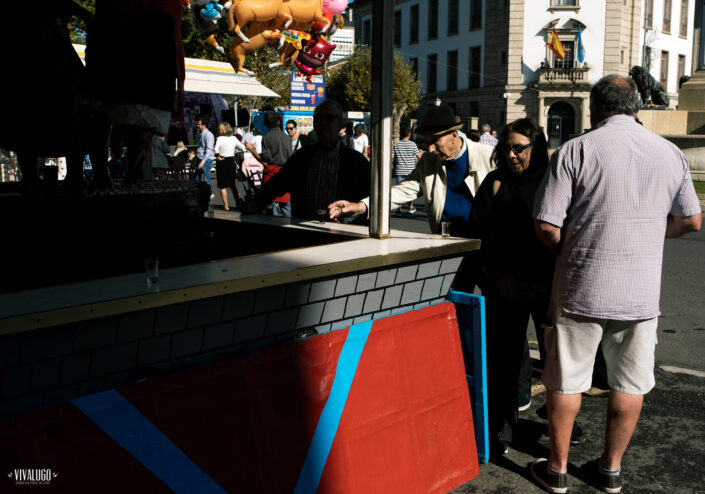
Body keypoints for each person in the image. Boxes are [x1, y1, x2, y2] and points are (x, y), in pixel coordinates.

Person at [530, 74, 701, 494]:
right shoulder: (668, 152)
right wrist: (646, 234)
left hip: (580, 288)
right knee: (629, 382)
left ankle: (557, 470)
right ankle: (610, 470)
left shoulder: (577, 149)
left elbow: (547, 224)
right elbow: (692, 220)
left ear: (594, 108)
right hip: (639, 292)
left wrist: (573, 254)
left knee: (566, 380)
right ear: (637, 107)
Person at [469, 118, 555, 456]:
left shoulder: (553, 182)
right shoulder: (494, 182)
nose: (511, 154)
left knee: (555, 358)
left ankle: (558, 420)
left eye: (518, 147)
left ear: (536, 147)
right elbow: (479, 235)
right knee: (504, 358)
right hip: (505, 287)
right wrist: (498, 274)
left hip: (546, 285)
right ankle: (504, 426)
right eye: (506, 147)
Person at [330, 104, 494, 239]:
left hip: (483, 243)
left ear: (454, 135)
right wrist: (362, 205)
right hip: (445, 241)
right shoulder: (428, 161)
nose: (430, 149)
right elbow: (403, 190)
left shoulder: (488, 157)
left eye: (435, 141)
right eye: (427, 142)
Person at [248, 100, 370, 221]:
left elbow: (379, 198)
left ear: (340, 125)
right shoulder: (301, 157)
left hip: (345, 235)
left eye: (329, 119)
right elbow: (276, 185)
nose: (323, 123)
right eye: (318, 119)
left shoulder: (356, 162)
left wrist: (361, 206)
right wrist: (254, 204)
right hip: (305, 232)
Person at [246, 113, 293, 217]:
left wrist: (252, 150)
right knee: (285, 206)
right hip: (285, 174)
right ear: (278, 122)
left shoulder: (267, 137)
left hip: (271, 175)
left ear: (266, 124)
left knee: (270, 207)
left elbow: (265, 159)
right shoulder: (287, 138)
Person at [215, 121, 247, 211]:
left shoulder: (220, 138)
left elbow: (216, 149)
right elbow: (243, 147)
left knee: (223, 185)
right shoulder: (233, 138)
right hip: (230, 162)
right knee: (232, 184)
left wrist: (217, 156)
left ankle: (226, 205)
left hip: (222, 161)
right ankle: (237, 202)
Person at [392, 125, 423, 214]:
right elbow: (419, 157)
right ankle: (410, 206)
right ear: (409, 134)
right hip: (410, 171)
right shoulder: (413, 144)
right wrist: (420, 152)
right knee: (410, 189)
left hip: (399, 170)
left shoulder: (396, 144)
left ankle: (399, 208)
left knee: (399, 190)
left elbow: (392, 157)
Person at [195, 118, 215, 188]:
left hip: (205, 159)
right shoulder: (201, 134)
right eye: (197, 124)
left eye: (199, 124)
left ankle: (208, 193)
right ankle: (202, 193)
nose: (197, 126)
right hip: (200, 157)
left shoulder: (208, 135)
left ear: (204, 125)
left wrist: (203, 162)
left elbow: (209, 149)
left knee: (206, 179)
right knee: (196, 178)